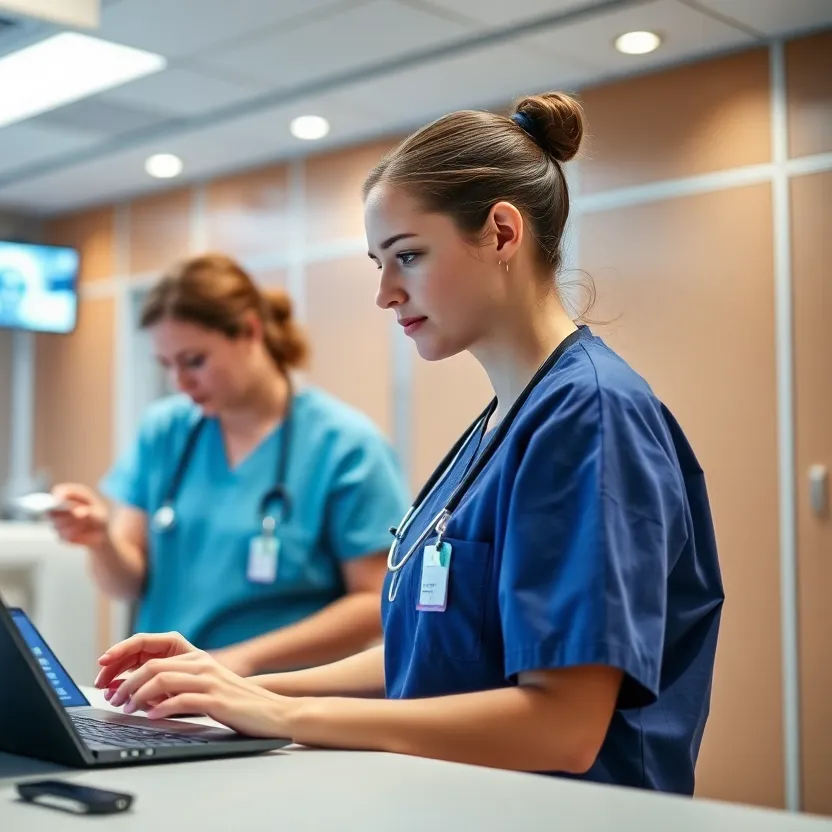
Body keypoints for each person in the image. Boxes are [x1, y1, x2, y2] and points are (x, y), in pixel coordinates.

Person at [92, 92, 725, 796]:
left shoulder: (590, 417)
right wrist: (229, 682)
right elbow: (424, 655)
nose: (386, 293)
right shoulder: (504, 422)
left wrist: (281, 711)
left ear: (502, 234)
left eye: (408, 256)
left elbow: (562, 727)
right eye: (378, 263)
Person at [49, 253, 408, 677]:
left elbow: (373, 602)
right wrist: (100, 539)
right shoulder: (166, 431)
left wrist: (239, 660)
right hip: (167, 695)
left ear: (250, 332)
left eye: (194, 361)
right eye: (167, 365)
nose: (179, 383)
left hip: (280, 698)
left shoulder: (344, 446)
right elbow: (125, 584)